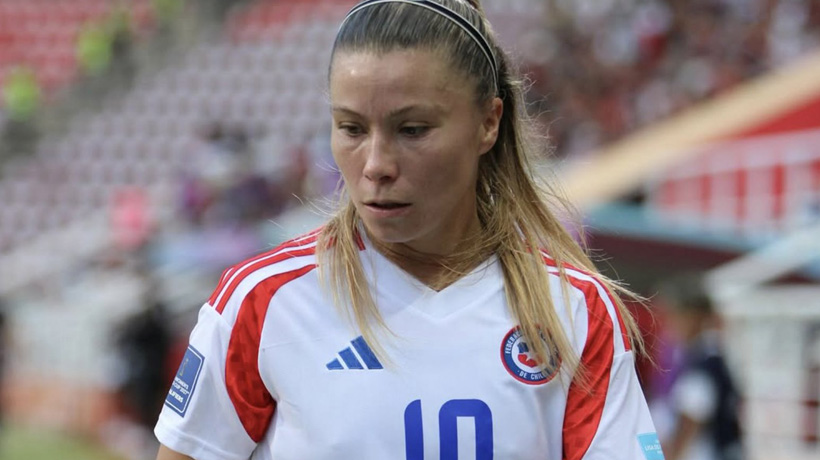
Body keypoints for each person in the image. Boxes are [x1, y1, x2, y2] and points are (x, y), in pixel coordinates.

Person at [154, 1, 662, 459]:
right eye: (351, 128)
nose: (376, 164)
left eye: (412, 129)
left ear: (488, 122)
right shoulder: (262, 302)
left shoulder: (574, 310)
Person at [656, 274, 743, 460]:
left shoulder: (705, 362)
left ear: (695, 316)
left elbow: (691, 418)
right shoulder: (697, 355)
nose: (670, 325)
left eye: (675, 316)